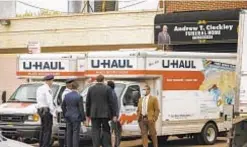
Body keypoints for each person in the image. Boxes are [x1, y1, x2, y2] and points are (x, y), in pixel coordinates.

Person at [86, 75, 117, 147]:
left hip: (94, 113)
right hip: (105, 114)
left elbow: (88, 103)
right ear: (103, 80)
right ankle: (106, 145)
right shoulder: (108, 89)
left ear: (96, 80)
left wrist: (88, 115)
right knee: (106, 130)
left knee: (95, 131)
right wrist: (114, 114)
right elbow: (111, 103)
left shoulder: (91, 89)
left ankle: (96, 145)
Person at [61, 81, 86, 147]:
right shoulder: (79, 97)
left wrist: (65, 113)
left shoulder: (66, 96)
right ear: (77, 87)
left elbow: (63, 106)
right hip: (76, 117)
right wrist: (83, 119)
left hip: (68, 116)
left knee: (69, 132)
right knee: (75, 133)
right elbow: (81, 109)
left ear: (71, 87)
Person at [36, 74, 56, 147]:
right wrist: (53, 113)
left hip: (40, 110)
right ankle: (45, 145)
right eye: (52, 81)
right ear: (49, 81)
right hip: (46, 110)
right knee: (48, 130)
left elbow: (38, 100)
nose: (52, 82)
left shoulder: (39, 88)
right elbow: (49, 101)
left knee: (43, 129)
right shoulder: (47, 89)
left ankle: (41, 144)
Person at [107, 80, 121, 147]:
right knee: (114, 131)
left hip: (113, 115)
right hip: (114, 115)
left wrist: (115, 115)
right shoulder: (113, 92)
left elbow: (114, 105)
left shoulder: (111, 93)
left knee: (113, 132)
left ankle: (114, 145)